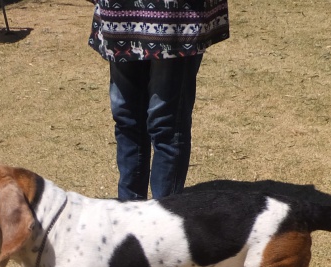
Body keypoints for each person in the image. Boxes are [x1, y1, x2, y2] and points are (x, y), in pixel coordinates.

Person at [89, 0, 229, 201]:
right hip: (121, 16)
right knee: (128, 119)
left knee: (166, 124)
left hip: (175, 18)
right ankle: (129, 210)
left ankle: (165, 212)